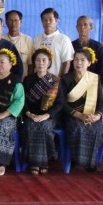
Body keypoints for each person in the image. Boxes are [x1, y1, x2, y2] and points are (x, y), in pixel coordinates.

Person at [21, 46, 64, 175]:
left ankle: (44, 161)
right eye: (38, 60)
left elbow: (60, 103)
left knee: (44, 127)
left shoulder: (56, 80)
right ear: (34, 62)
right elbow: (23, 101)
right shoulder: (28, 80)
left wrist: (47, 115)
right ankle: (35, 162)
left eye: (44, 60)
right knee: (31, 126)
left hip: (49, 117)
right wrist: (28, 114)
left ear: (49, 62)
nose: (41, 63)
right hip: (31, 115)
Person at [62, 48, 103, 172]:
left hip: (91, 115)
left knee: (96, 129)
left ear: (89, 63)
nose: (79, 63)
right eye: (76, 60)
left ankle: (89, 162)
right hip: (71, 115)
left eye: (82, 60)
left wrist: (97, 116)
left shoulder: (94, 79)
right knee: (78, 127)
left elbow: (101, 102)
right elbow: (62, 103)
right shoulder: (66, 79)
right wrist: (79, 115)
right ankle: (77, 159)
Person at [33, 8, 74, 77]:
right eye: (45, 20)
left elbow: (66, 62)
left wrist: (60, 80)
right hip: (37, 79)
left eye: (50, 19)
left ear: (56, 20)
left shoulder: (64, 39)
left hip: (55, 80)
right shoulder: (37, 38)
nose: (47, 22)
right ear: (42, 22)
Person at [3, 10, 34, 78]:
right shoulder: (1, 39)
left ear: (21, 22)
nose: (13, 23)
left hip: (22, 80)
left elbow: (31, 64)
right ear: (6, 22)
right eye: (10, 20)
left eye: (16, 20)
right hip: (3, 80)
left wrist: (28, 81)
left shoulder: (27, 40)